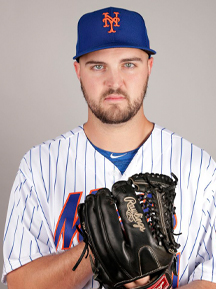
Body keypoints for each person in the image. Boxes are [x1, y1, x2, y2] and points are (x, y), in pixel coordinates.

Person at [2, 6, 216, 289]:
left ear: (148, 67)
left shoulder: (198, 168)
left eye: (129, 64)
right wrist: (96, 251)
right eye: (98, 66)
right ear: (78, 71)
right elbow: (20, 283)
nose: (114, 82)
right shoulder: (39, 165)